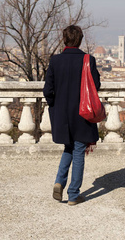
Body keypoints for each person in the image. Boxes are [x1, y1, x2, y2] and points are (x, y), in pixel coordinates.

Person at [43, 25, 101, 206]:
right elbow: (96, 85)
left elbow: (48, 91)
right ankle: (73, 194)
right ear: (80, 40)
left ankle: (59, 182)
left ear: (64, 39)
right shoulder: (87, 60)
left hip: (62, 114)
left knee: (69, 147)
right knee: (78, 151)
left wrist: (56, 106)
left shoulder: (55, 61)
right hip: (82, 113)